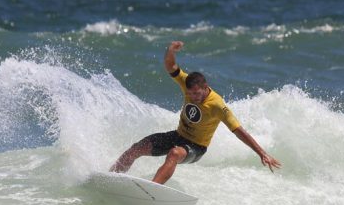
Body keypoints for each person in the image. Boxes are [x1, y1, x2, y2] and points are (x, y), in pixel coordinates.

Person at [110, 40, 281, 184]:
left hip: (196, 147)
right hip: (178, 136)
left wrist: (262, 153)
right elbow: (171, 66)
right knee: (136, 148)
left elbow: (239, 131)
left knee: (174, 153)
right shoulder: (186, 83)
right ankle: (111, 178)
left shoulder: (217, 105)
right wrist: (170, 50)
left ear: (205, 88)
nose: (194, 97)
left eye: (197, 94)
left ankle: (151, 190)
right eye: (190, 94)